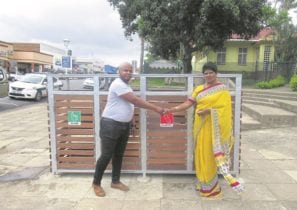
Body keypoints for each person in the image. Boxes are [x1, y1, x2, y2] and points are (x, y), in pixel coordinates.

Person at [166, 62, 244, 198]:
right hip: (200, 127)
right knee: (200, 153)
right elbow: (188, 103)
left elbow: (225, 111)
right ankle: (203, 182)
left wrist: (209, 111)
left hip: (214, 129)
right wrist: (173, 109)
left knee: (209, 155)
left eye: (211, 72)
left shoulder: (222, 89)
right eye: (206, 73)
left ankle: (212, 187)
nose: (208, 75)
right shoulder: (199, 89)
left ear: (216, 73)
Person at [92, 62, 165, 197]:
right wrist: (156, 108)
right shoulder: (118, 84)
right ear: (119, 72)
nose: (128, 72)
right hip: (110, 125)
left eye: (130, 70)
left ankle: (115, 181)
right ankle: (96, 183)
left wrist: (132, 122)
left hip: (123, 126)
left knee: (119, 155)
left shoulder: (126, 86)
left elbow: (128, 104)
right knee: (106, 155)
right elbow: (135, 101)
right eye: (125, 70)